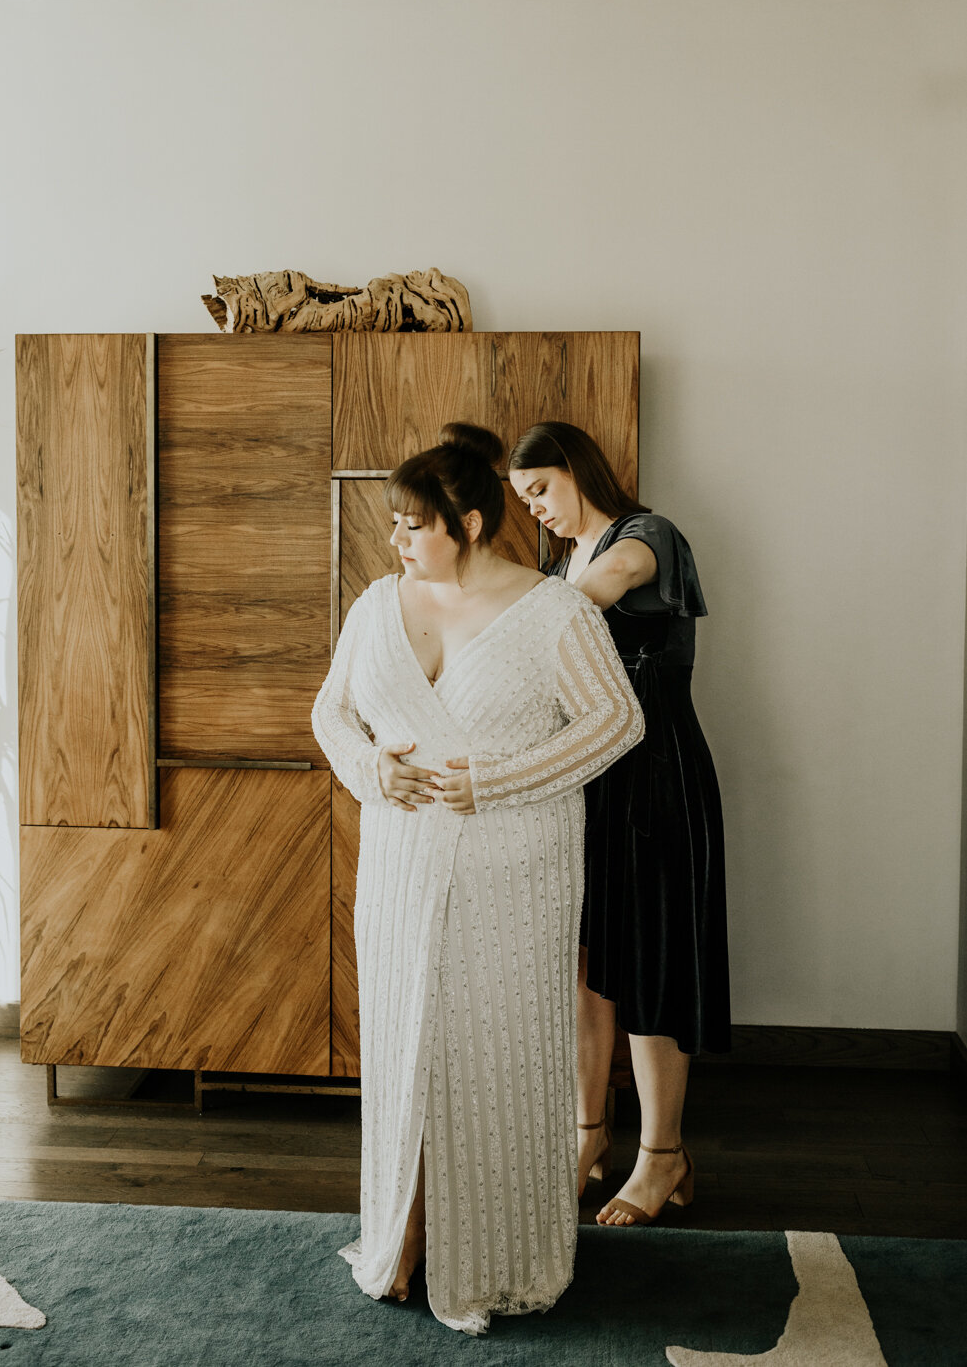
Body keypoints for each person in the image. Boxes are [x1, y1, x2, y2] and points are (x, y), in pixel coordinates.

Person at [311, 422, 643, 1333]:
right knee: (404, 1044)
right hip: (399, 866)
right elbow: (331, 712)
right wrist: (374, 769)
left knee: (489, 1053)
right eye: (394, 524)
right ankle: (404, 1233)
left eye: (411, 524)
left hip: (513, 873)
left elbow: (615, 724)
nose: (395, 539)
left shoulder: (554, 612)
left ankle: (490, 1251)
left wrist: (493, 779)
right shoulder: (379, 604)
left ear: (465, 521)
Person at [508, 422, 730, 1229]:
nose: (535, 512)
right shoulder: (551, 564)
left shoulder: (645, 537)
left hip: (656, 773)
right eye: (522, 501)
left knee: (650, 961)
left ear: (572, 469)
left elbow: (595, 594)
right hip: (586, 777)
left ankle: (662, 1156)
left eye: (539, 490)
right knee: (584, 960)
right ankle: (588, 1137)